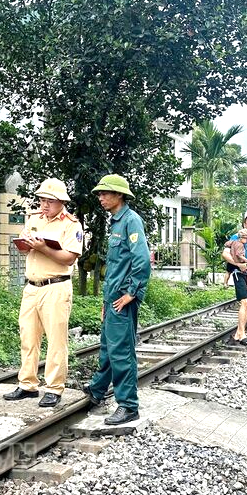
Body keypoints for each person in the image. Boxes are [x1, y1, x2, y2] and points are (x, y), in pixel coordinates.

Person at [4, 178, 83, 407]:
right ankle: (27, 384)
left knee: (56, 340)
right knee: (28, 337)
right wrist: (28, 245)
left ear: (61, 202)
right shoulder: (34, 219)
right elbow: (22, 248)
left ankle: (54, 388)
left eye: (49, 201)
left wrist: (43, 248)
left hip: (56, 286)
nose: (44, 205)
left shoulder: (71, 224)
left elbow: (69, 257)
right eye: (41, 200)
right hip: (31, 286)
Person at [83, 174, 151, 426]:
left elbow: (142, 261)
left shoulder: (131, 221)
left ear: (120, 195)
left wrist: (131, 293)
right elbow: (115, 267)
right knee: (108, 347)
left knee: (121, 351)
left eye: (105, 193)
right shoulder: (116, 222)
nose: (101, 197)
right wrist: (106, 301)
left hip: (123, 298)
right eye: (100, 193)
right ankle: (98, 389)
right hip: (113, 298)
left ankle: (128, 405)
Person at [222, 212, 247, 346]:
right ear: (244, 224)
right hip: (239, 272)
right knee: (244, 302)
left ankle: (239, 332)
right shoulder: (236, 237)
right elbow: (225, 254)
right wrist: (238, 264)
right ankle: (242, 334)